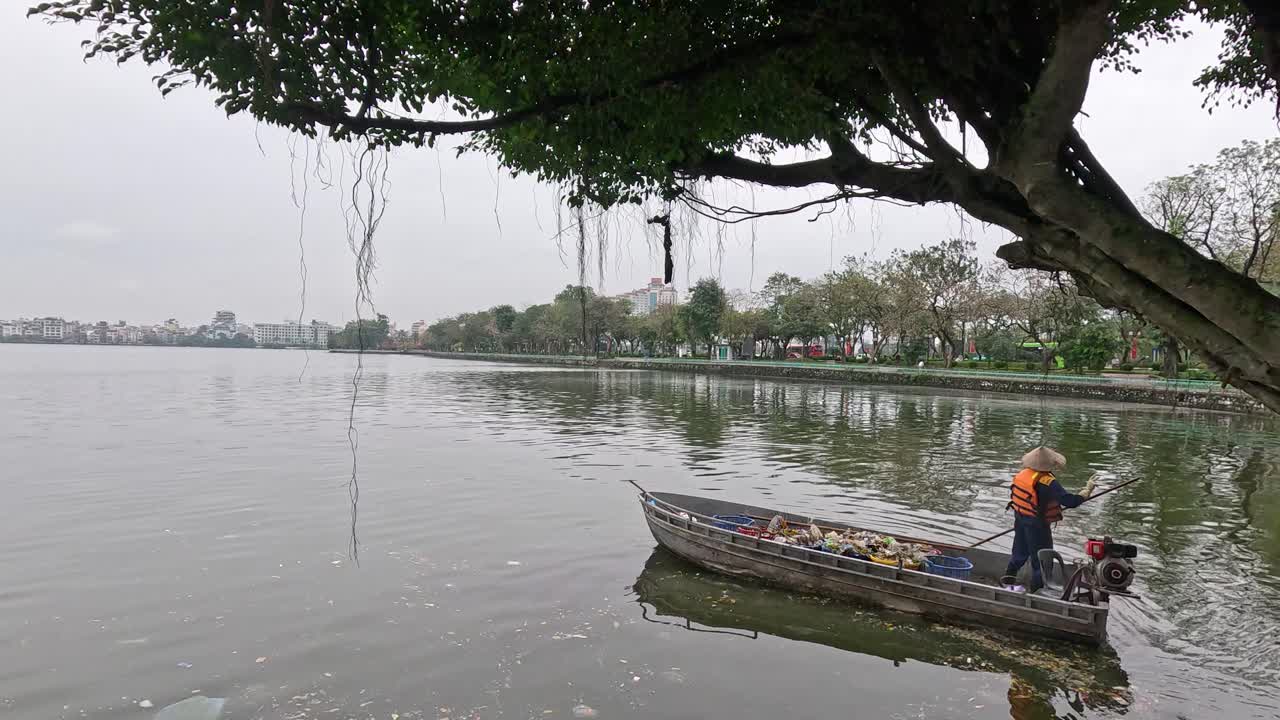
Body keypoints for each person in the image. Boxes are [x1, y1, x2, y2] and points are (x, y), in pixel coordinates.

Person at [1003, 446, 1098, 592]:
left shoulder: (1023, 474)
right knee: (1041, 561)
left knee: (1019, 553)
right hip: (1037, 526)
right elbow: (1070, 501)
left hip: (1021, 519)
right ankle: (1036, 592)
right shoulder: (1048, 482)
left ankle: (1007, 581)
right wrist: (1087, 490)